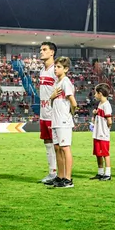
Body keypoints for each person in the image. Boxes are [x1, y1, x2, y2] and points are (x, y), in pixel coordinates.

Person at [49, 57, 77, 188]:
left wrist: (70, 113)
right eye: (55, 66)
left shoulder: (65, 82)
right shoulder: (57, 83)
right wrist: (52, 97)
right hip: (55, 120)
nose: (55, 69)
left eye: (59, 67)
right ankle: (60, 177)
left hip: (63, 121)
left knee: (65, 148)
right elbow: (52, 103)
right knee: (57, 148)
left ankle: (68, 179)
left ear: (66, 69)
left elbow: (73, 102)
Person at [39, 42, 58, 184]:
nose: (41, 52)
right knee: (47, 143)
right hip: (43, 113)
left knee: (56, 144)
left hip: (53, 114)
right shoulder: (42, 70)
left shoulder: (55, 70)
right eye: (41, 50)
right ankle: (52, 172)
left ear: (52, 52)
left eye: (44, 50)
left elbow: (61, 89)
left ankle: (59, 173)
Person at [90, 83, 112, 181]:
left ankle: (108, 173)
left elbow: (109, 121)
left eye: (96, 93)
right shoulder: (100, 104)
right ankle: (100, 172)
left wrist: (106, 129)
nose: (95, 95)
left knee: (105, 154)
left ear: (100, 93)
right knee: (98, 153)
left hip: (103, 134)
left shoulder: (106, 105)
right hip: (97, 133)